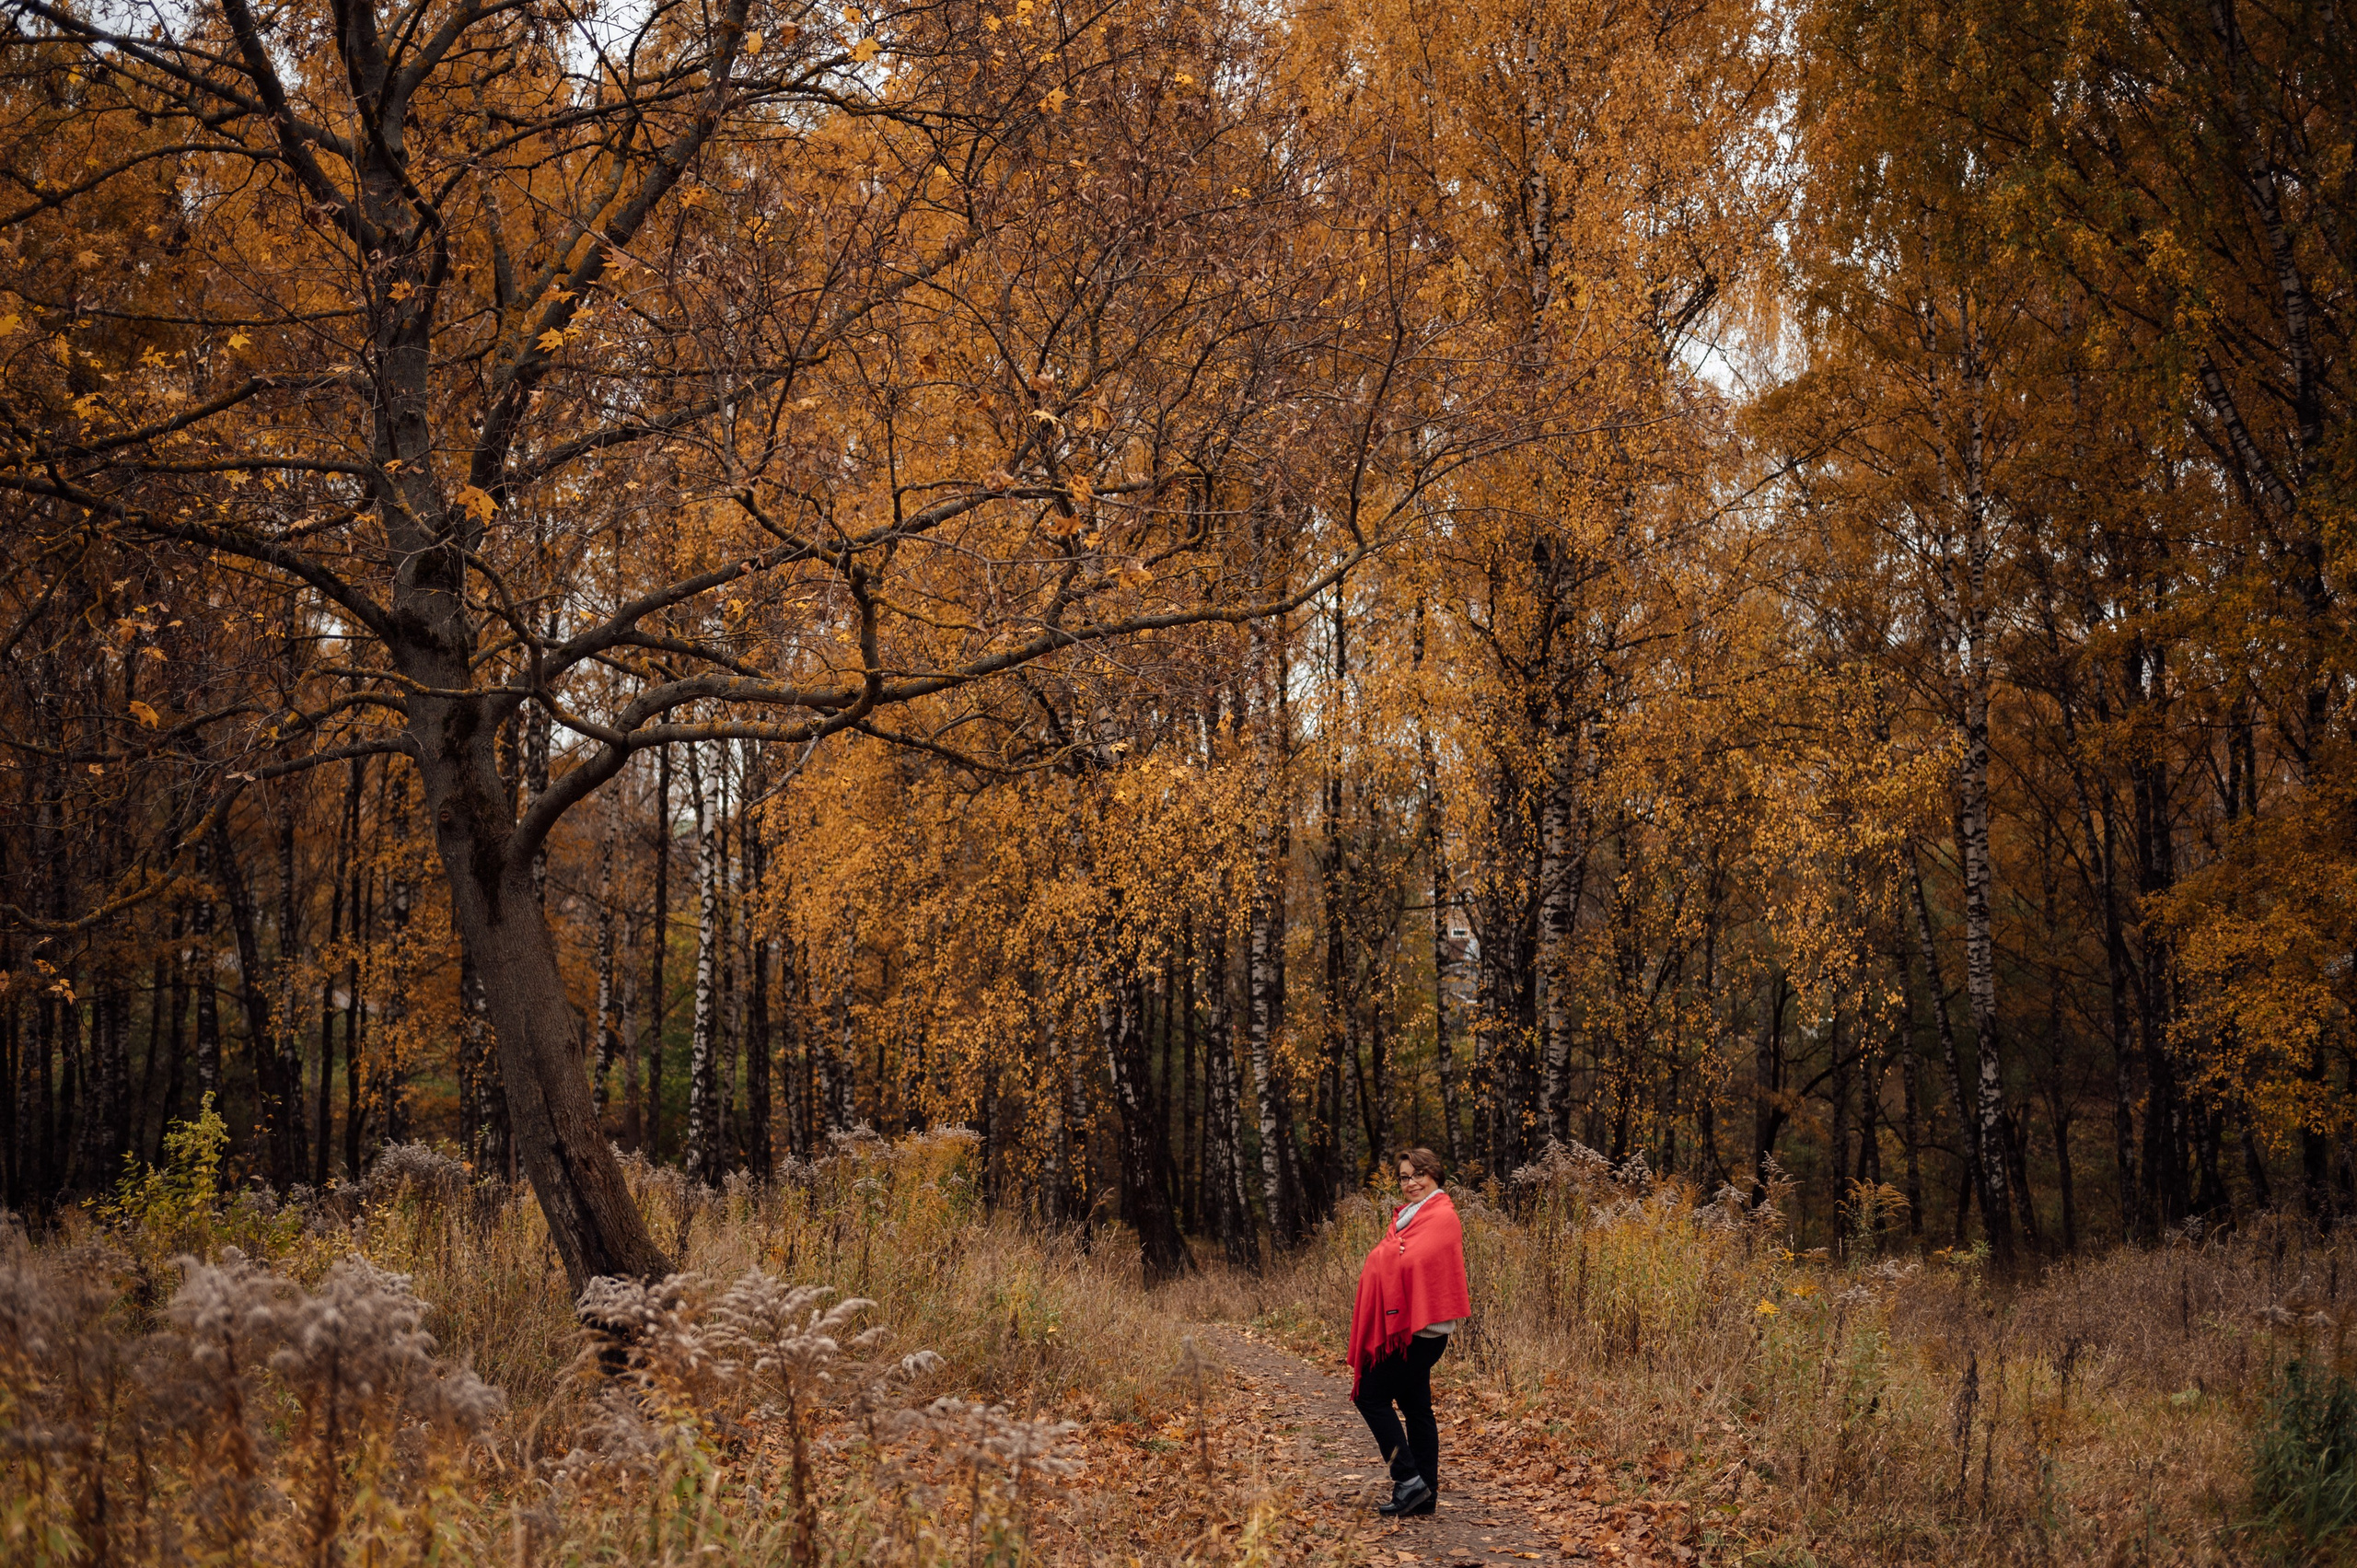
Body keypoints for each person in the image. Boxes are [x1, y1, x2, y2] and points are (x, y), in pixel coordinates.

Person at [1346, 1146, 1470, 1518]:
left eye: (1418, 1174)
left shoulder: (1442, 1215)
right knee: (1417, 1409)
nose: (1411, 1182)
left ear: (1434, 1175)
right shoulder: (1409, 1217)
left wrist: (1384, 1257)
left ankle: (1408, 1479)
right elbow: (1398, 1257)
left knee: (1369, 1396)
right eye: (1404, 1177)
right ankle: (1424, 1494)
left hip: (1421, 1332)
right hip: (1411, 1330)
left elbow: (1413, 1261)